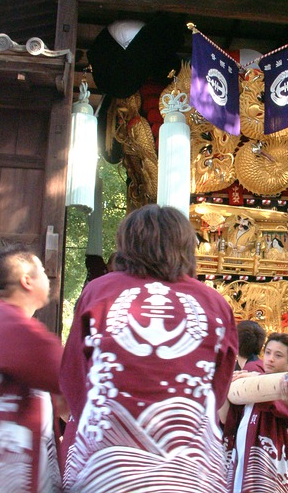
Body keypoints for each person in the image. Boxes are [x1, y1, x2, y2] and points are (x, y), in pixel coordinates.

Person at [60, 204, 237, 493]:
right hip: (191, 472)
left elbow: (73, 377)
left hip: (107, 470)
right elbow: (218, 388)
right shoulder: (214, 303)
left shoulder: (99, 292)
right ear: (186, 246)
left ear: (128, 244)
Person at [0, 244, 64, 493]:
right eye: (42, 270)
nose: (49, 277)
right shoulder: (14, 328)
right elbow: (70, 380)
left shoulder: (4, 322)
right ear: (27, 281)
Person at [221, 332, 288, 493]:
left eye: (278, 355)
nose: (270, 359)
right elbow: (226, 421)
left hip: (270, 466)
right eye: (268, 353)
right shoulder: (248, 384)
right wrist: (222, 382)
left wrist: (256, 379)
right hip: (243, 461)